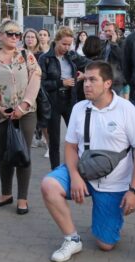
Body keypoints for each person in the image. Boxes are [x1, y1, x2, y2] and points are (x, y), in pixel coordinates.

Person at [40, 61, 135, 262]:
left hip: (114, 184)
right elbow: (71, 147)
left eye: (92, 80)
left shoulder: (126, 109)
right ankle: (72, 239)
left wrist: (134, 191)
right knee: (49, 185)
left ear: (107, 83)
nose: (86, 84)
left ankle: (109, 217)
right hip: (83, 172)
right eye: (85, 79)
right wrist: (75, 177)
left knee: (105, 245)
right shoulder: (80, 108)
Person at [0, 20, 41, 214]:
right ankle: (6, 194)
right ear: (0, 35)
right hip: (2, 115)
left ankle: (22, 198)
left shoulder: (26, 55)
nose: (15, 37)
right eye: (10, 33)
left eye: (18, 34)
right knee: (4, 155)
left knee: (23, 154)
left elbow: (35, 79)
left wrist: (24, 105)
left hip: (26, 113)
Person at [39, 26, 90, 170]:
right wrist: (61, 82)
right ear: (56, 41)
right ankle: (55, 171)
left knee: (77, 136)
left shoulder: (72, 55)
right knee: (54, 140)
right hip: (53, 101)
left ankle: (79, 168)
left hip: (70, 100)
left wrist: (84, 75)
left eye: (69, 44)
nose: (67, 47)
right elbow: (41, 83)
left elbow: (90, 63)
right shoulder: (45, 58)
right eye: (64, 44)